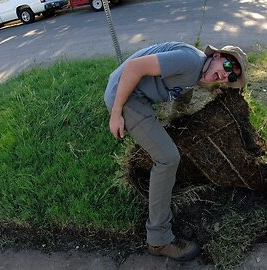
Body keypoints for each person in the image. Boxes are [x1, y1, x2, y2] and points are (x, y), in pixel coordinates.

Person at [104, 41, 247, 261]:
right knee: (167, 158)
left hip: (134, 92)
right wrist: (116, 113)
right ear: (217, 55)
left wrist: (178, 117)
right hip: (126, 97)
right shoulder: (190, 61)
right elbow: (133, 68)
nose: (226, 76)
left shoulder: (199, 70)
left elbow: (186, 87)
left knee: (168, 150)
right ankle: (158, 240)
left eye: (231, 78)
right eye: (228, 67)